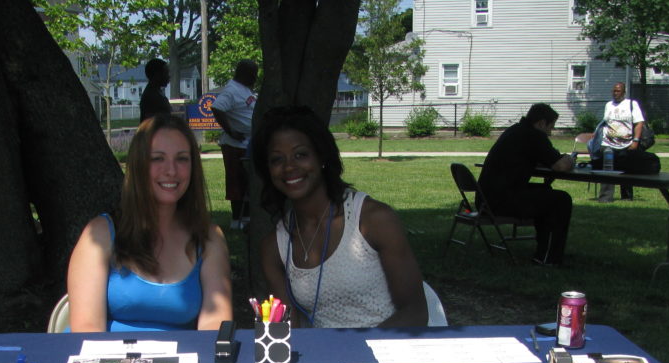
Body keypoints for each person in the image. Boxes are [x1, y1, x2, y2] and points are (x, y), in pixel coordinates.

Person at [253, 105, 428, 328]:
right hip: (327, 357)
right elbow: (288, 329)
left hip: (387, 351)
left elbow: (415, 312)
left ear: (322, 156)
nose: (289, 167)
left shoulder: (373, 220)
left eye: (301, 155)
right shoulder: (274, 246)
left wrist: (360, 353)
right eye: (277, 160)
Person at [66, 113, 232, 332]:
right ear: (138, 166)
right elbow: (86, 328)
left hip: (179, 362)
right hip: (106, 362)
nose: (171, 171)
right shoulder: (100, 234)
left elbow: (216, 324)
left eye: (182, 158)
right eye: (157, 158)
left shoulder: (209, 239)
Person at [477, 103, 575, 266]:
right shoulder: (533, 136)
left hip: (487, 198)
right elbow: (560, 165)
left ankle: (543, 250)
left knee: (546, 192)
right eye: (551, 127)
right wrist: (571, 159)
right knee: (561, 200)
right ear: (541, 123)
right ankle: (550, 257)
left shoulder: (515, 130)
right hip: (502, 200)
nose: (550, 133)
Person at [211, 59, 258, 229]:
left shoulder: (245, 90)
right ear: (244, 73)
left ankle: (246, 218)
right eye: (253, 73)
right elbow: (217, 108)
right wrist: (231, 130)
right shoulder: (231, 90)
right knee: (236, 182)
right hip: (234, 145)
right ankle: (236, 220)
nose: (255, 77)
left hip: (247, 144)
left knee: (247, 183)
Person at [598, 82, 645, 203]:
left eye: (618, 91)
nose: (615, 93)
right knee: (607, 170)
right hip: (608, 143)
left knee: (625, 170)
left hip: (626, 144)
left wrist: (635, 141)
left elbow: (639, 123)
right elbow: (605, 123)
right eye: (614, 91)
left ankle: (627, 196)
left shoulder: (631, 104)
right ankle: (605, 197)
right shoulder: (609, 105)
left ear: (624, 92)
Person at [140, 58, 171, 123]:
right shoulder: (151, 96)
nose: (168, 76)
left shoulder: (156, 93)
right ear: (157, 74)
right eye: (166, 73)